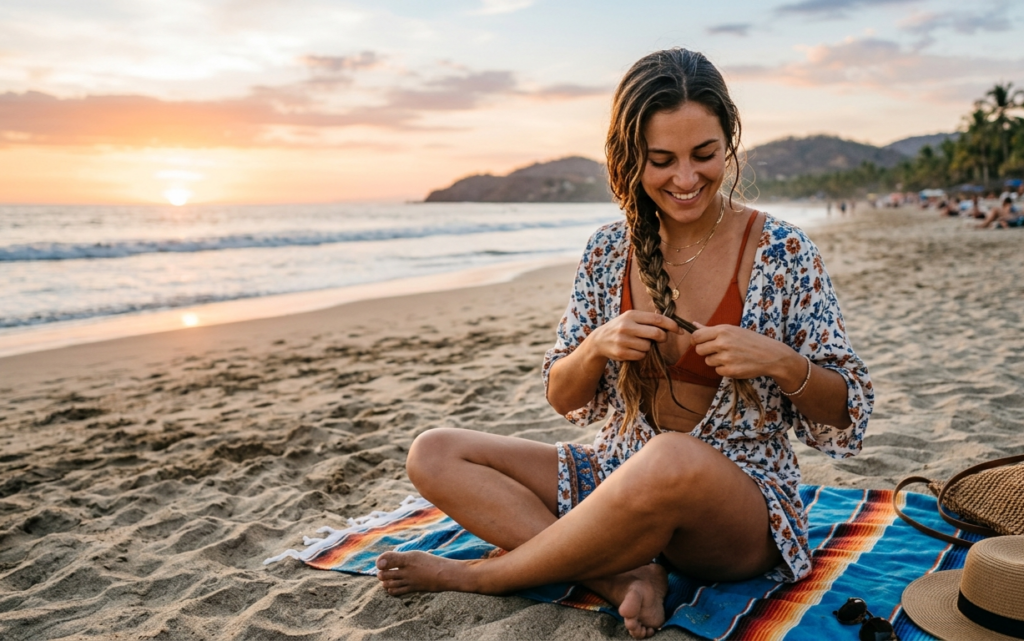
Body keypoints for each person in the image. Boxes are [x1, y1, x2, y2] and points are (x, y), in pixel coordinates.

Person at [374, 48, 873, 639]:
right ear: (628, 156)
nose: (686, 180)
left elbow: (848, 412)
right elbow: (564, 398)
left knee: (671, 458)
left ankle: (491, 576)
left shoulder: (783, 252)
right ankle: (621, 579)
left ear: (729, 142)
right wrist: (595, 347)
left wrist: (783, 363)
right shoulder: (608, 251)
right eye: (661, 160)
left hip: (738, 514)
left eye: (704, 155)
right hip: (616, 473)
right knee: (433, 451)